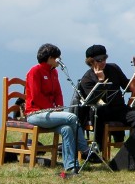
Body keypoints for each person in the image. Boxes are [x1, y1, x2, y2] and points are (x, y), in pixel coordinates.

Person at [25, 43, 89, 173]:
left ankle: (71, 165)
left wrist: (59, 108)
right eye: (57, 58)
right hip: (35, 113)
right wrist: (52, 109)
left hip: (49, 113)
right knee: (72, 117)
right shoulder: (35, 71)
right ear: (49, 58)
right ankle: (86, 150)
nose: (59, 60)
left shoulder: (54, 72)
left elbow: (58, 93)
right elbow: (36, 96)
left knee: (66, 129)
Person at [78, 44, 135, 153]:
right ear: (91, 62)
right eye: (99, 60)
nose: (103, 62)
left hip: (119, 109)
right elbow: (97, 100)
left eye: (105, 59)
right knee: (99, 111)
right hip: (100, 112)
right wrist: (101, 80)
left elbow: (127, 86)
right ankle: (100, 148)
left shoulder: (113, 68)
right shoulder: (86, 79)